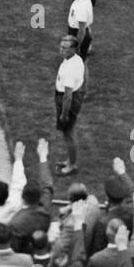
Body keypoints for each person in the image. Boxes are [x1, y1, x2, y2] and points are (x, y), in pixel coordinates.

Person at [52, 40, 84, 176]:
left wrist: (64, 114)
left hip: (67, 100)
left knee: (68, 133)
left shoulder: (70, 69)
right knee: (70, 132)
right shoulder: (76, 59)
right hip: (74, 96)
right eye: (61, 46)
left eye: (65, 47)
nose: (61, 49)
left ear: (73, 49)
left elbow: (68, 96)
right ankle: (71, 160)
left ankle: (72, 165)